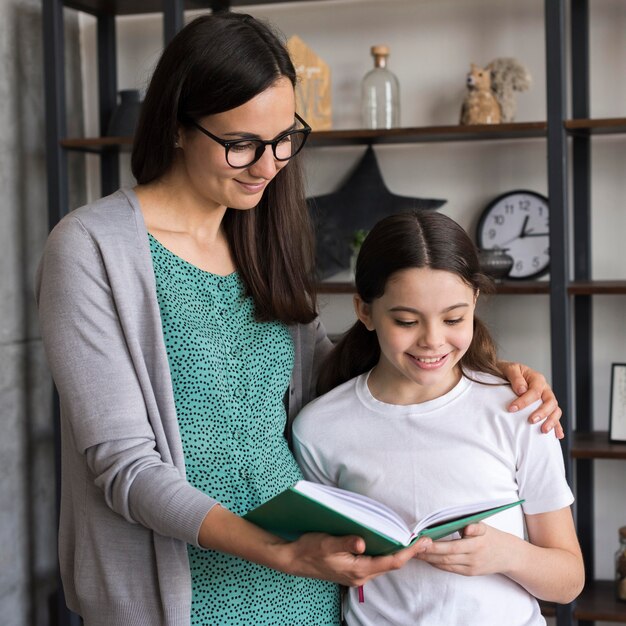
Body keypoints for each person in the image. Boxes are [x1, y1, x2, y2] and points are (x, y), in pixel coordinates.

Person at [36, 11, 563, 626]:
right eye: (241, 144)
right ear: (178, 127)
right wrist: (275, 549)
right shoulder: (91, 248)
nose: (268, 165)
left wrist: (489, 372)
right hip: (186, 589)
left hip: (310, 588)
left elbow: (344, 362)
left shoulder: (260, 238)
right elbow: (123, 468)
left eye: (285, 138)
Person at [292, 211, 584, 626]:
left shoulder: (518, 410)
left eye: (453, 319)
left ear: (474, 305)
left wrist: (507, 554)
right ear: (365, 311)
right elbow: (322, 566)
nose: (432, 340)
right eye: (406, 321)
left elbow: (569, 581)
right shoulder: (321, 427)